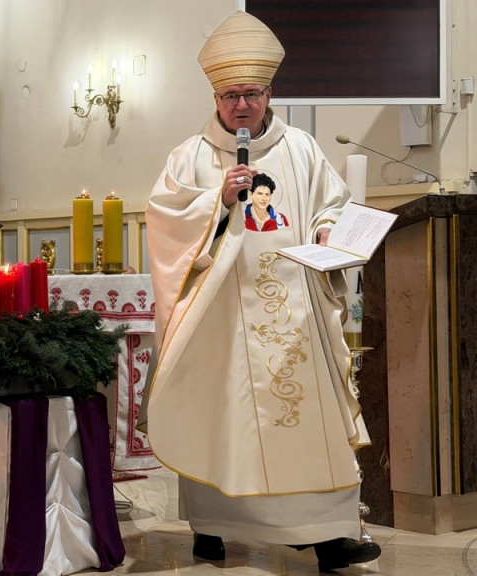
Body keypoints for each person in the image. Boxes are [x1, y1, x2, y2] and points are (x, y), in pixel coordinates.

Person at [143, 11, 381, 572]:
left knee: (308, 423)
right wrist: (216, 201)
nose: (241, 106)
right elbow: (166, 222)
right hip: (220, 320)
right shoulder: (190, 157)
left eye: (250, 93)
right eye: (230, 96)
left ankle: (330, 536)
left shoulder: (299, 147)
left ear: (270, 92)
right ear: (216, 96)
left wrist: (327, 228)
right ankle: (213, 528)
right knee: (221, 417)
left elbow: (332, 203)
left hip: (297, 313)